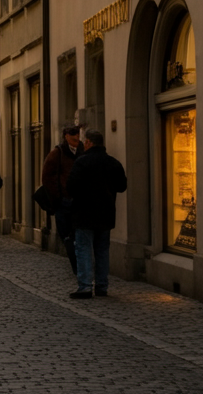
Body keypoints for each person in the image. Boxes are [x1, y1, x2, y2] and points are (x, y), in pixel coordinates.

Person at [65, 128, 128, 299]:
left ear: (88, 143)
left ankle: (85, 286)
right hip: (105, 213)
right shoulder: (113, 163)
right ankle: (101, 286)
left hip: (84, 213)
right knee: (102, 250)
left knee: (84, 249)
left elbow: (71, 187)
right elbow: (122, 186)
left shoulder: (82, 162)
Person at [42, 125, 85, 271]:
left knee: (78, 233)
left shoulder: (82, 151)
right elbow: (47, 176)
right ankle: (76, 265)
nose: (77, 139)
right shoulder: (57, 153)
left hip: (79, 200)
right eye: (73, 137)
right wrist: (57, 196)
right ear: (66, 137)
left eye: (78, 136)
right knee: (66, 234)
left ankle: (79, 265)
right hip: (63, 201)